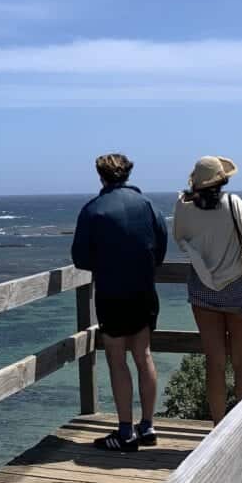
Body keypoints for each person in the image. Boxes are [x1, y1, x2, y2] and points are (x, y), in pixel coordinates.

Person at [71, 153, 168, 452]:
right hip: (144, 291)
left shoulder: (93, 210)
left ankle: (125, 431)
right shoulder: (149, 205)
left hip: (112, 292)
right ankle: (148, 426)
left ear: (100, 176)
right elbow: (161, 247)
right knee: (144, 356)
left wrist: (106, 261)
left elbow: (80, 257)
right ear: (127, 174)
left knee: (117, 360)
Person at [173, 155, 242, 425]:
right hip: (238, 290)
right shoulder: (232, 203)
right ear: (222, 180)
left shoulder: (183, 207)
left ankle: (218, 426)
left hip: (203, 291)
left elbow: (180, 239)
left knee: (214, 364)